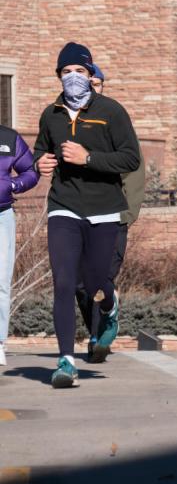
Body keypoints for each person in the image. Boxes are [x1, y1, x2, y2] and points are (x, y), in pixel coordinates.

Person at [34, 42, 140, 388]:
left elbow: (130, 159)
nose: (73, 77)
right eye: (66, 72)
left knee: (96, 283)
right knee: (65, 284)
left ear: (91, 74)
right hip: (63, 207)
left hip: (104, 209)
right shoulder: (51, 113)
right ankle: (66, 360)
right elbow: (41, 150)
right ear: (58, 76)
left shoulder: (111, 111)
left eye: (80, 71)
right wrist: (41, 163)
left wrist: (89, 158)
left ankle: (109, 307)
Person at [74, 64, 146, 363]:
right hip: (78, 217)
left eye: (98, 83)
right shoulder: (71, 124)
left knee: (99, 276)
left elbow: (134, 170)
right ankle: (98, 327)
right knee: (80, 282)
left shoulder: (115, 120)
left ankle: (98, 336)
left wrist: (126, 213)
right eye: (88, 82)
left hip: (113, 217)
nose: (93, 87)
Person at [0, 126, 39, 366]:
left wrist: (13, 186)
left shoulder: (8, 138)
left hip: (2, 216)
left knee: (1, 282)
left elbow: (31, 171)